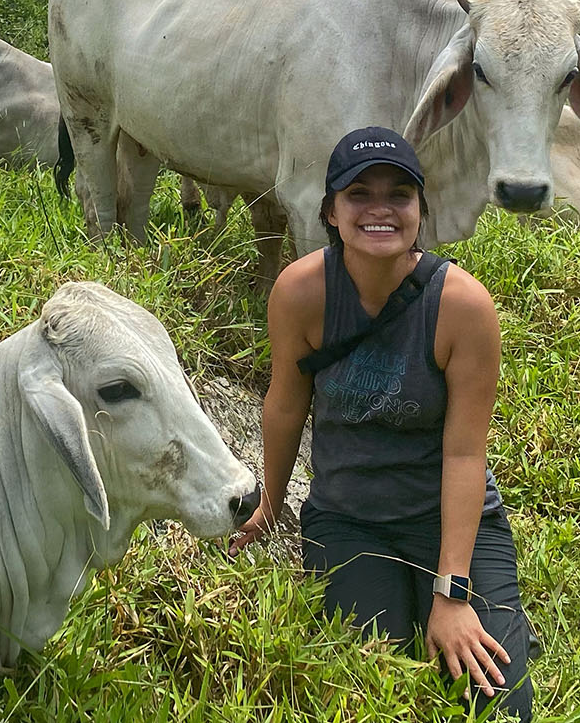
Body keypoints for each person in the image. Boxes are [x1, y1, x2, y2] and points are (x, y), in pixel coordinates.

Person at [230, 127, 536, 718]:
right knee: (375, 686)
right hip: (349, 523)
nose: (380, 209)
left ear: (422, 209)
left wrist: (452, 591)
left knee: (498, 702)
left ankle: (483, 605)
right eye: (358, 194)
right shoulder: (301, 291)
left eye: (399, 194)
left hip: (445, 518)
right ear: (330, 211)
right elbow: (286, 405)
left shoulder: (462, 306)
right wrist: (270, 500)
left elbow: (466, 455)